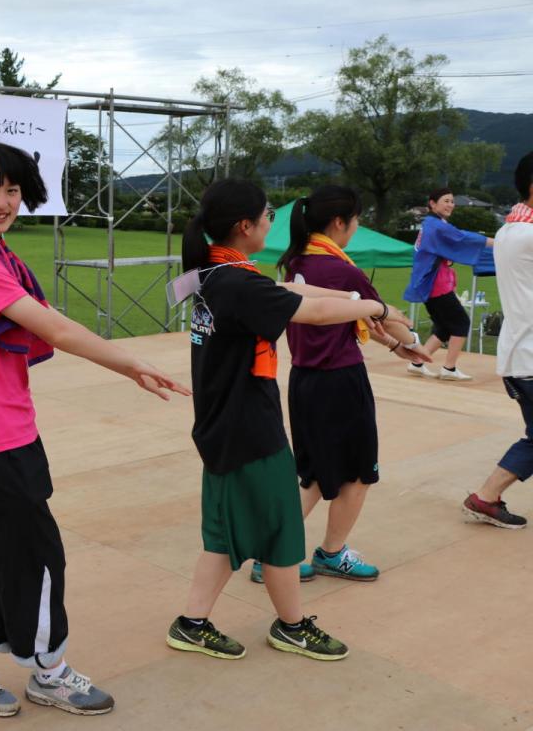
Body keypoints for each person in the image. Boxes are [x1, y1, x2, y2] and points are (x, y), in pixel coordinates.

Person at [0, 142, 189, 718]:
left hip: (5, 430)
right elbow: (57, 329)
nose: (2, 202)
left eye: (13, 190)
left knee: (12, 556)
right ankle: (49, 671)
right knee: (40, 558)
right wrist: (132, 363)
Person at [167, 179, 389, 663]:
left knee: (227, 532)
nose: (273, 220)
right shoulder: (239, 284)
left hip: (222, 424)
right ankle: (291, 626)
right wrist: (374, 305)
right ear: (245, 226)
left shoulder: (216, 274)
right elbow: (308, 310)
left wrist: (350, 295)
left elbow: (287, 289)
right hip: (249, 428)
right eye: (267, 214)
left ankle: (192, 623)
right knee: (282, 527)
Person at [266, 186, 430, 584]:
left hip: (304, 380)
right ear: (340, 222)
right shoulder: (342, 270)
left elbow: (342, 316)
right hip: (338, 380)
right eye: (356, 221)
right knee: (357, 472)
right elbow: (382, 317)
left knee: (313, 472)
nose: (356, 229)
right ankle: (329, 552)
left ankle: (269, 554)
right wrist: (409, 342)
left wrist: (391, 347)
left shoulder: (297, 263)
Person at [464, 152, 533, 529]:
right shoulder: (527, 235)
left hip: (520, 353)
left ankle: (486, 498)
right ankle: (485, 498)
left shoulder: (511, 230)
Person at [403, 188, 494, 381]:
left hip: (430, 282)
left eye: (452, 201)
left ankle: (417, 362)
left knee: (444, 327)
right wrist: (494, 242)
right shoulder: (436, 226)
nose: (450, 204)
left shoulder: (432, 225)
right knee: (461, 322)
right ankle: (449, 368)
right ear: (432, 203)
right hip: (435, 284)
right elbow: (462, 237)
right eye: (446, 200)